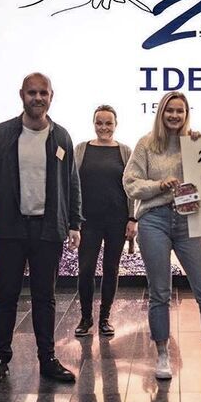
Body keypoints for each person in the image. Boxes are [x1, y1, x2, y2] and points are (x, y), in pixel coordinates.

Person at [123, 91, 201, 381]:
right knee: (160, 292)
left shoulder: (194, 143)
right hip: (154, 220)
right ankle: (162, 355)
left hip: (188, 219)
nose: (175, 116)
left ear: (186, 114)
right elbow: (130, 183)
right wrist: (158, 185)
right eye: (170, 110)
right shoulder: (146, 144)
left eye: (180, 111)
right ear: (161, 113)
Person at [0, 72, 82, 385]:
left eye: (43, 93)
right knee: (6, 296)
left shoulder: (61, 137)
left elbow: (72, 183)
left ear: (51, 96)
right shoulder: (2, 134)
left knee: (45, 298)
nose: (37, 98)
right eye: (32, 92)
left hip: (48, 231)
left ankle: (47, 359)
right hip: (9, 229)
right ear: (22, 95)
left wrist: (74, 223)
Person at [73, 105, 137, 337]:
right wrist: (73, 219)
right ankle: (85, 318)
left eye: (108, 123)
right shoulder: (81, 149)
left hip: (116, 220)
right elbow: (72, 184)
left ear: (115, 124)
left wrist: (132, 218)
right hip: (87, 221)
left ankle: (105, 318)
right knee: (85, 270)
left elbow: (132, 187)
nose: (104, 127)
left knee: (111, 269)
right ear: (94, 124)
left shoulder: (125, 151)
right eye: (99, 123)